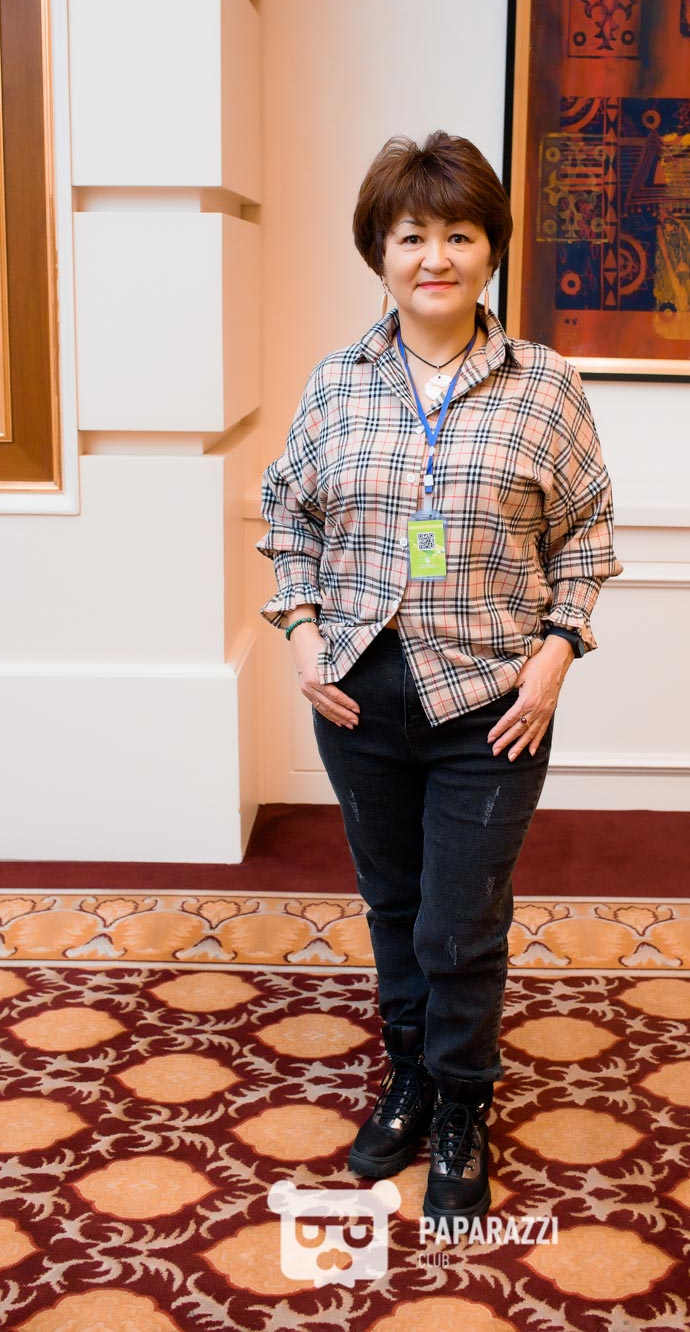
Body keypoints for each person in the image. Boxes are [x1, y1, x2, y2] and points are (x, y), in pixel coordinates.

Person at [256, 131, 622, 1227]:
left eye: (458, 235)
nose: (434, 257)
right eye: (411, 235)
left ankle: (464, 1103)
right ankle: (409, 1077)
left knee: (459, 922)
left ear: (489, 251)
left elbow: (585, 530)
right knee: (395, 905)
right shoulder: (337, 385)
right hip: (359, 697)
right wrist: (302, 633)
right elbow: (288, 514)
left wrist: (555, 657)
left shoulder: (544, 385)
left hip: (492, 704)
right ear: (378, 251)